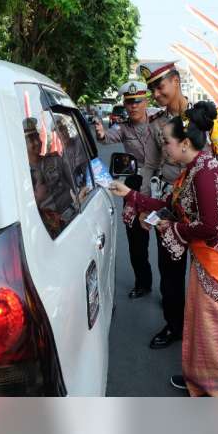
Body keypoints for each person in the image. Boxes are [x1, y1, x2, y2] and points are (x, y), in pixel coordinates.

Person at [109, 101, 218, 396]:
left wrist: (170, 228)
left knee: (215, 329)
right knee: (200, 323)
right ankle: (201, 381)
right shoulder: (193, 170)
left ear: (185, 143)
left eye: (167, 143)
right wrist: (132, 194)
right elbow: (169, 205)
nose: (165, 150)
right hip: (207, 258)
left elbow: (210, 227)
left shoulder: (205, 175)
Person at [139, 60, 191, 349]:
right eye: (152, 90)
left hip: (202, 206)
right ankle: (174, 326)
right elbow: (149, 165)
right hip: (169, 205)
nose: (157, 94)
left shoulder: (206, 116)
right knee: (170, 270)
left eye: (160, 86)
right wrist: (145, 204)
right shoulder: (156, 123)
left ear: (176, 81)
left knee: (204, 272)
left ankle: (202, 330)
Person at [94, 80, 158, 298]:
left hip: (161, 185)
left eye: (138, 101)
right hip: (135, 185)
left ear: (146, 101)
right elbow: (108, 137)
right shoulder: (122, 127)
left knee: (167, 239)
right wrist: (101, 134)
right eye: (129, 102)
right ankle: (143, 283)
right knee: (136, 241)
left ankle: (172, 293)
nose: (133, 106)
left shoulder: (159, 121)